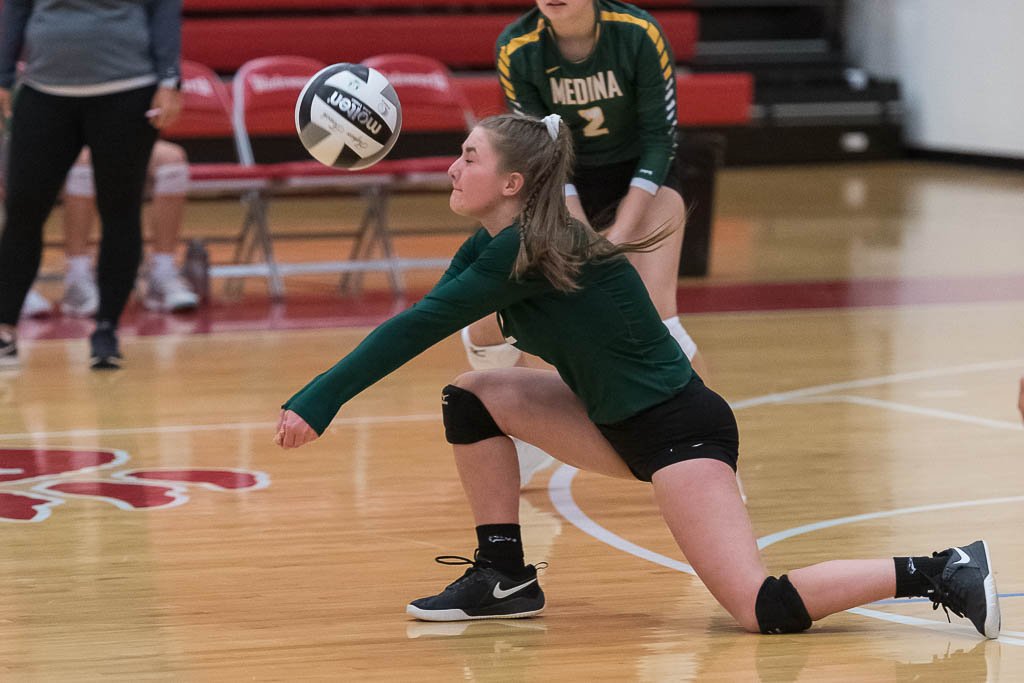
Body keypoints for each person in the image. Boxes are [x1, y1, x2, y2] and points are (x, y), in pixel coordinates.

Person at [274, 113, 999, 638]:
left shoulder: (524, 248)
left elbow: (412, 329)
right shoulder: (490, 244)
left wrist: (318, 401)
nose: (453, 168)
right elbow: (445, 318)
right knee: (473, 400)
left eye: (469, 156)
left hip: (679, 432)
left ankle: (941, 568)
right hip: (611, 419)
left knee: (759, 607)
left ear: (514, 181)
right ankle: (504, 575)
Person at [470, 0, 708, 486]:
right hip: (559, 180)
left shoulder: (638, 34)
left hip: (645, 178)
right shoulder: (517, 48)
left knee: (659, 314)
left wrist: (621, 231)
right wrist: (578, 231)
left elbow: (661, 139)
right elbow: (542, 151)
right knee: (499, 316)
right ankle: (528, 437)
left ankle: (706, 453)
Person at [0, 0, 182, 370]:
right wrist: (2, 75)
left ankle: (106, 330)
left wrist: (169, 78)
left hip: (128, 90)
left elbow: (164, 7)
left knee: (120, 210)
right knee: (23, 210)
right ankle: (4, 328)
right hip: (43, 90)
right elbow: (16, 7)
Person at [60, 140, 198, 317]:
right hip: (75, 142)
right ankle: (76, 277)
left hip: (125, 138)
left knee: (172, 159)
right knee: (82, 160)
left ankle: (162, 273)